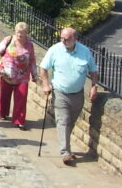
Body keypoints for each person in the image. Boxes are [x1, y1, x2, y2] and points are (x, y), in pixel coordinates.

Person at [39, 27, 100, 165]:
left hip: (78, 94)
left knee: (70, 122)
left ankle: (65, 144)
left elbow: (94, 71)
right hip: (60, 93)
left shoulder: (84, 52)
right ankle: (65, 151)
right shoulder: (55, 50)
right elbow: (43, 68)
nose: (63, 41)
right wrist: (46, 84)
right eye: (61, 38)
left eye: (67, 39)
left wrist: (94, 86)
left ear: (75, 39)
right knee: (63, 121)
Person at [0, 22, 39, 130]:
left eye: (23, 33)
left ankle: (19, 120)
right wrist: (1, 67)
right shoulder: (8, 40)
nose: (20, 35)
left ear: (27, 33)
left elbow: (32, 59)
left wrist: (34, 75)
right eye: (18, 32)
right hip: (7, 73)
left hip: (23, 75)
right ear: (15, 31)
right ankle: (3, 112)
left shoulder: (29, 44)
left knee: (22, 97)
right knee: (4, 95)